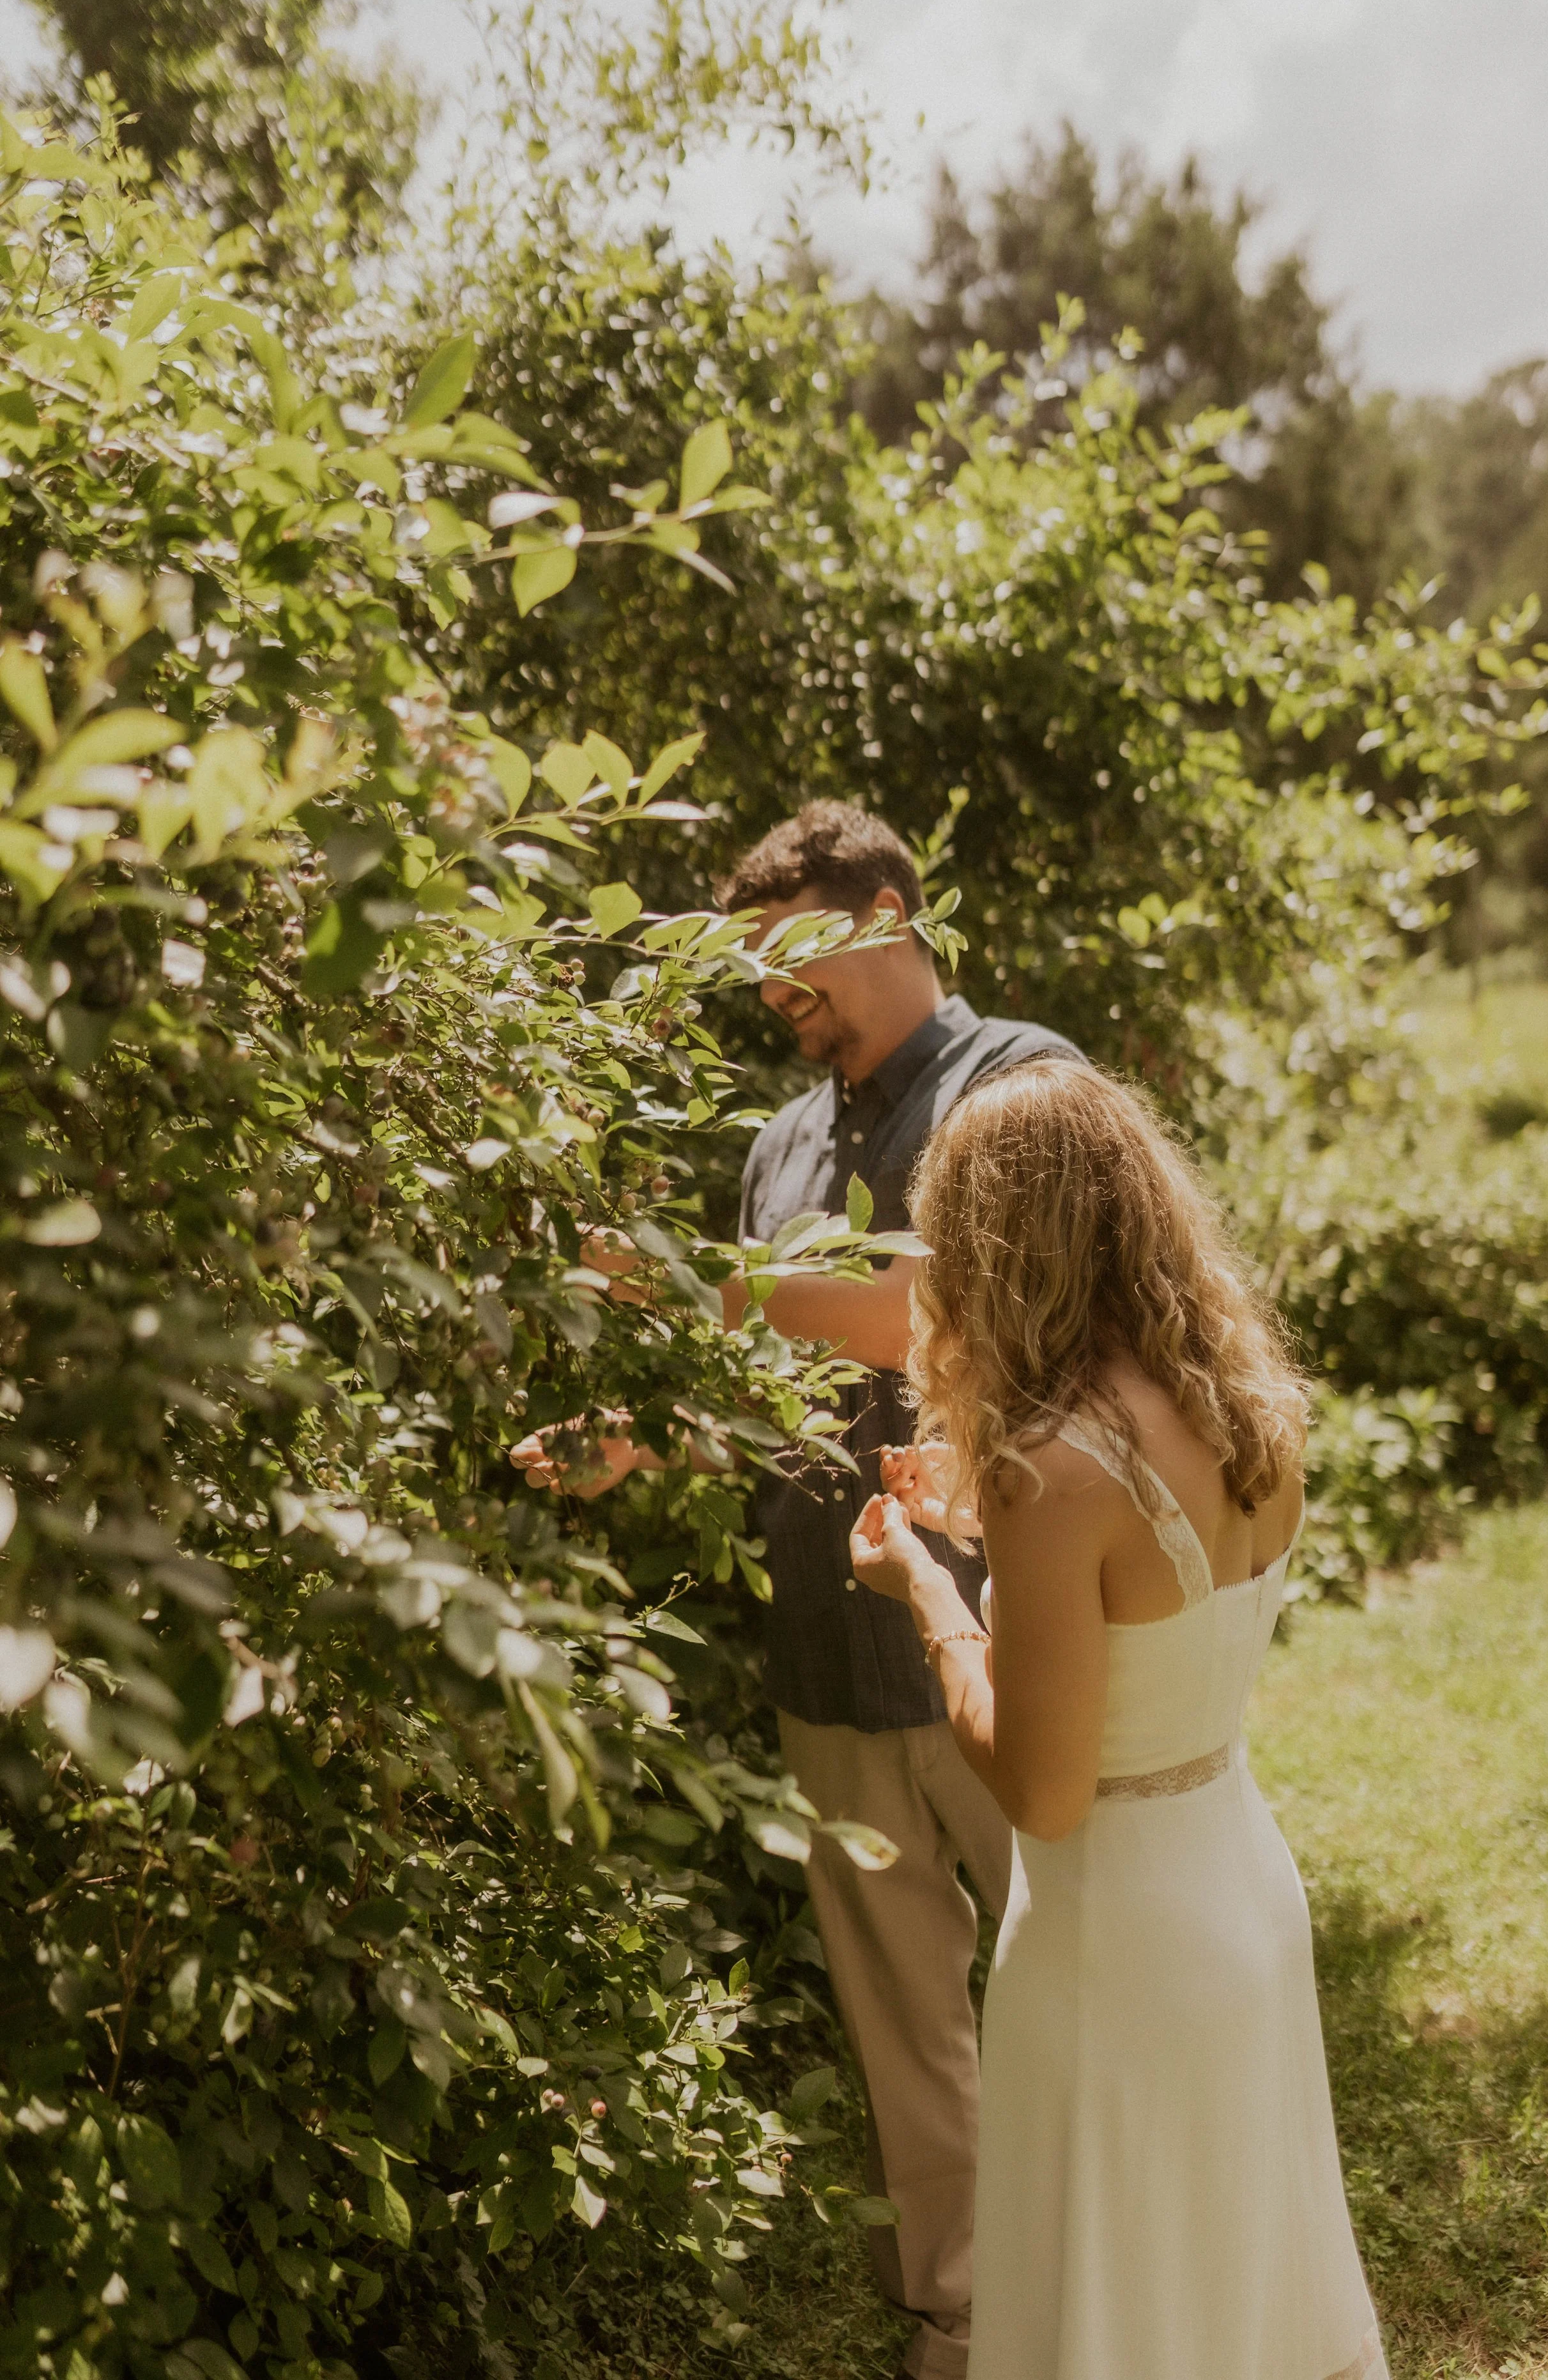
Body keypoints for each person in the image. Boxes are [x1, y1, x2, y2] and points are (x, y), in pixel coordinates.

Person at [515, 801, 1078, 2380]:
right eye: (761, 981)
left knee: (1074, 1986)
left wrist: (687, 1275)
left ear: (891, 912)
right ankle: (962, 2326)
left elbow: (927, 1320)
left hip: (1006, 1632)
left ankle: (1103, 2297)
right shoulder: (776, 1148)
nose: (782, 1004)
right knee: (906, 2034)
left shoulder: (1022, 1090)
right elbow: (759, 1374)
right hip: (824, 1646)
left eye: (799, 966)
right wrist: (639, 1442)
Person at [848, 1056, 1388, 2380]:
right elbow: (1161, 1601)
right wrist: (974, 1520)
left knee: (1118, 2305)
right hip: (1239, 1896)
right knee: (1228, 2285)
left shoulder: (1054, 1469)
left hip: (1114, 1950)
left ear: (997, 1247)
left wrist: (924, 1587)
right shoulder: (1246, 1407)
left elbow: (1041, 1790)